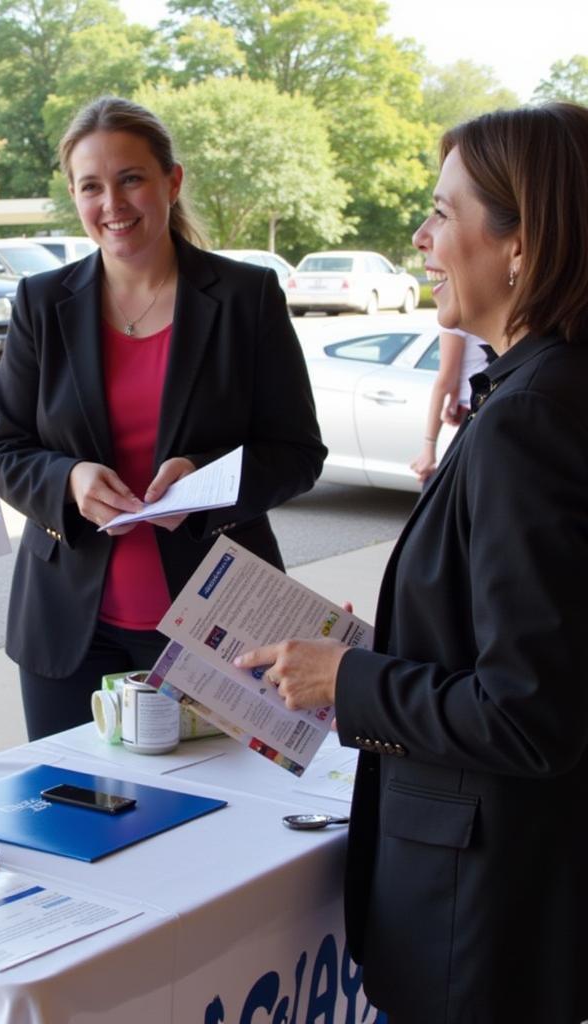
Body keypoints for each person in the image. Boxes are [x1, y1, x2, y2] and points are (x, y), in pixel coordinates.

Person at [234, 102, 588, 1024]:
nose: (423, 239)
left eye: (443, 213)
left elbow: (530, 713)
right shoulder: (545, 387)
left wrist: (350, 678)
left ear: (521, 244)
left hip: (487, 920)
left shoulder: (529, 422)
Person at [0, 96, 325, 741]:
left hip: (217, 621)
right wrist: (70, 479)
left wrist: (204, 481)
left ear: (172, 181)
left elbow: (297, 452)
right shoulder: (41, 300)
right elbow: (5, 450)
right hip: (69, 630)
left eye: (131, 178)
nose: (112, 204)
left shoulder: (246, 298)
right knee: (78, 818)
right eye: (92, 187)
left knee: (223, 825)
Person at [409, 328, 488, 484]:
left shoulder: (455, 319)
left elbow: (445, 382)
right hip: (494, 403)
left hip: (472, 411)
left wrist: (429, 448)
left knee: (447, 487)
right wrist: (455, 395)